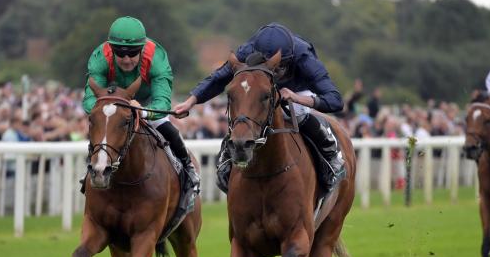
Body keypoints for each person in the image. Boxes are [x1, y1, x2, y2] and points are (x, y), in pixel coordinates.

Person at [174, 22, 345, 193]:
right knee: (246, 113)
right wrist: (190, 101)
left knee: (298, 113)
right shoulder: (246, 51)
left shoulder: (304, 57)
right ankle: (228, 158)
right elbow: (219, 78)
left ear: (289, 59)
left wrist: (297, 98)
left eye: (278, 69)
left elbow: (335, 100)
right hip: (259, 89)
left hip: (297, 91)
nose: (273, 72)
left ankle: (330, 154)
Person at [82, 16, 199, 202]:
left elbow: (162, 103)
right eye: (120, 54)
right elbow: (89, 101)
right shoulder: (100, 57)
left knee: (166, 126)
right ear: (111, 50)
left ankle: (188, 170)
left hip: (147, 102)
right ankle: (92, 169)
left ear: (142, 49)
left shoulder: (156, 58)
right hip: (114, 102)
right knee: (102, 127)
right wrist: (113, 107)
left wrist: (142, 111)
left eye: (133, 53)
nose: (127, 59)